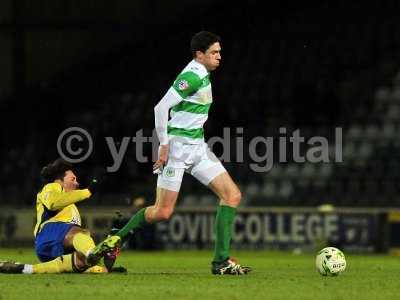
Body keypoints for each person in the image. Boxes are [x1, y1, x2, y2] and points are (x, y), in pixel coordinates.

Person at [112, 31, 251, 275]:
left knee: (232, 195)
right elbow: (160, 107)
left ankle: (220, 262)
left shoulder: (202, 72)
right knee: (162, 212)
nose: (220, 56)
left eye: (220, 51)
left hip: (197, 146)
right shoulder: (192, 76)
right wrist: (163, 145)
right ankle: (116, 239)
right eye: (214, 52)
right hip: (177, 148)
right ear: (200, 55)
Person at [0, 158, 121, 274]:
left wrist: (102, 270)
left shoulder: (71, 205)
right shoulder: (52, 187)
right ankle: (92, 252)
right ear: (59, 179)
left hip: (53, 249)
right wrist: (87, 191)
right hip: (49, 233)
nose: (77, 183)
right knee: (80, 233)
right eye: (73, 179)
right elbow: (53, 203)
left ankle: (26, 269)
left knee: (82, 261)